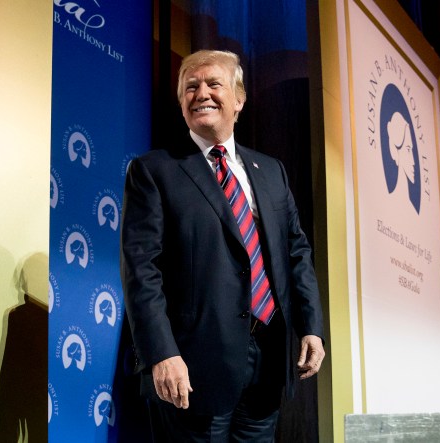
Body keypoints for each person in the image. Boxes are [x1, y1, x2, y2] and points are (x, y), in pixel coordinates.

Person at [120, 49, 325, 442]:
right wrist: (162, 353)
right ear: (181, 102)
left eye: (213, 84)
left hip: (267, 364)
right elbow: (140, 271)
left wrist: (310, 325)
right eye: (190, 87)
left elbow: (296, 252)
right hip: (191, 371)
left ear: (239, 99)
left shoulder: (272, 171)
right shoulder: (153, 171)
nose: (202, 93)